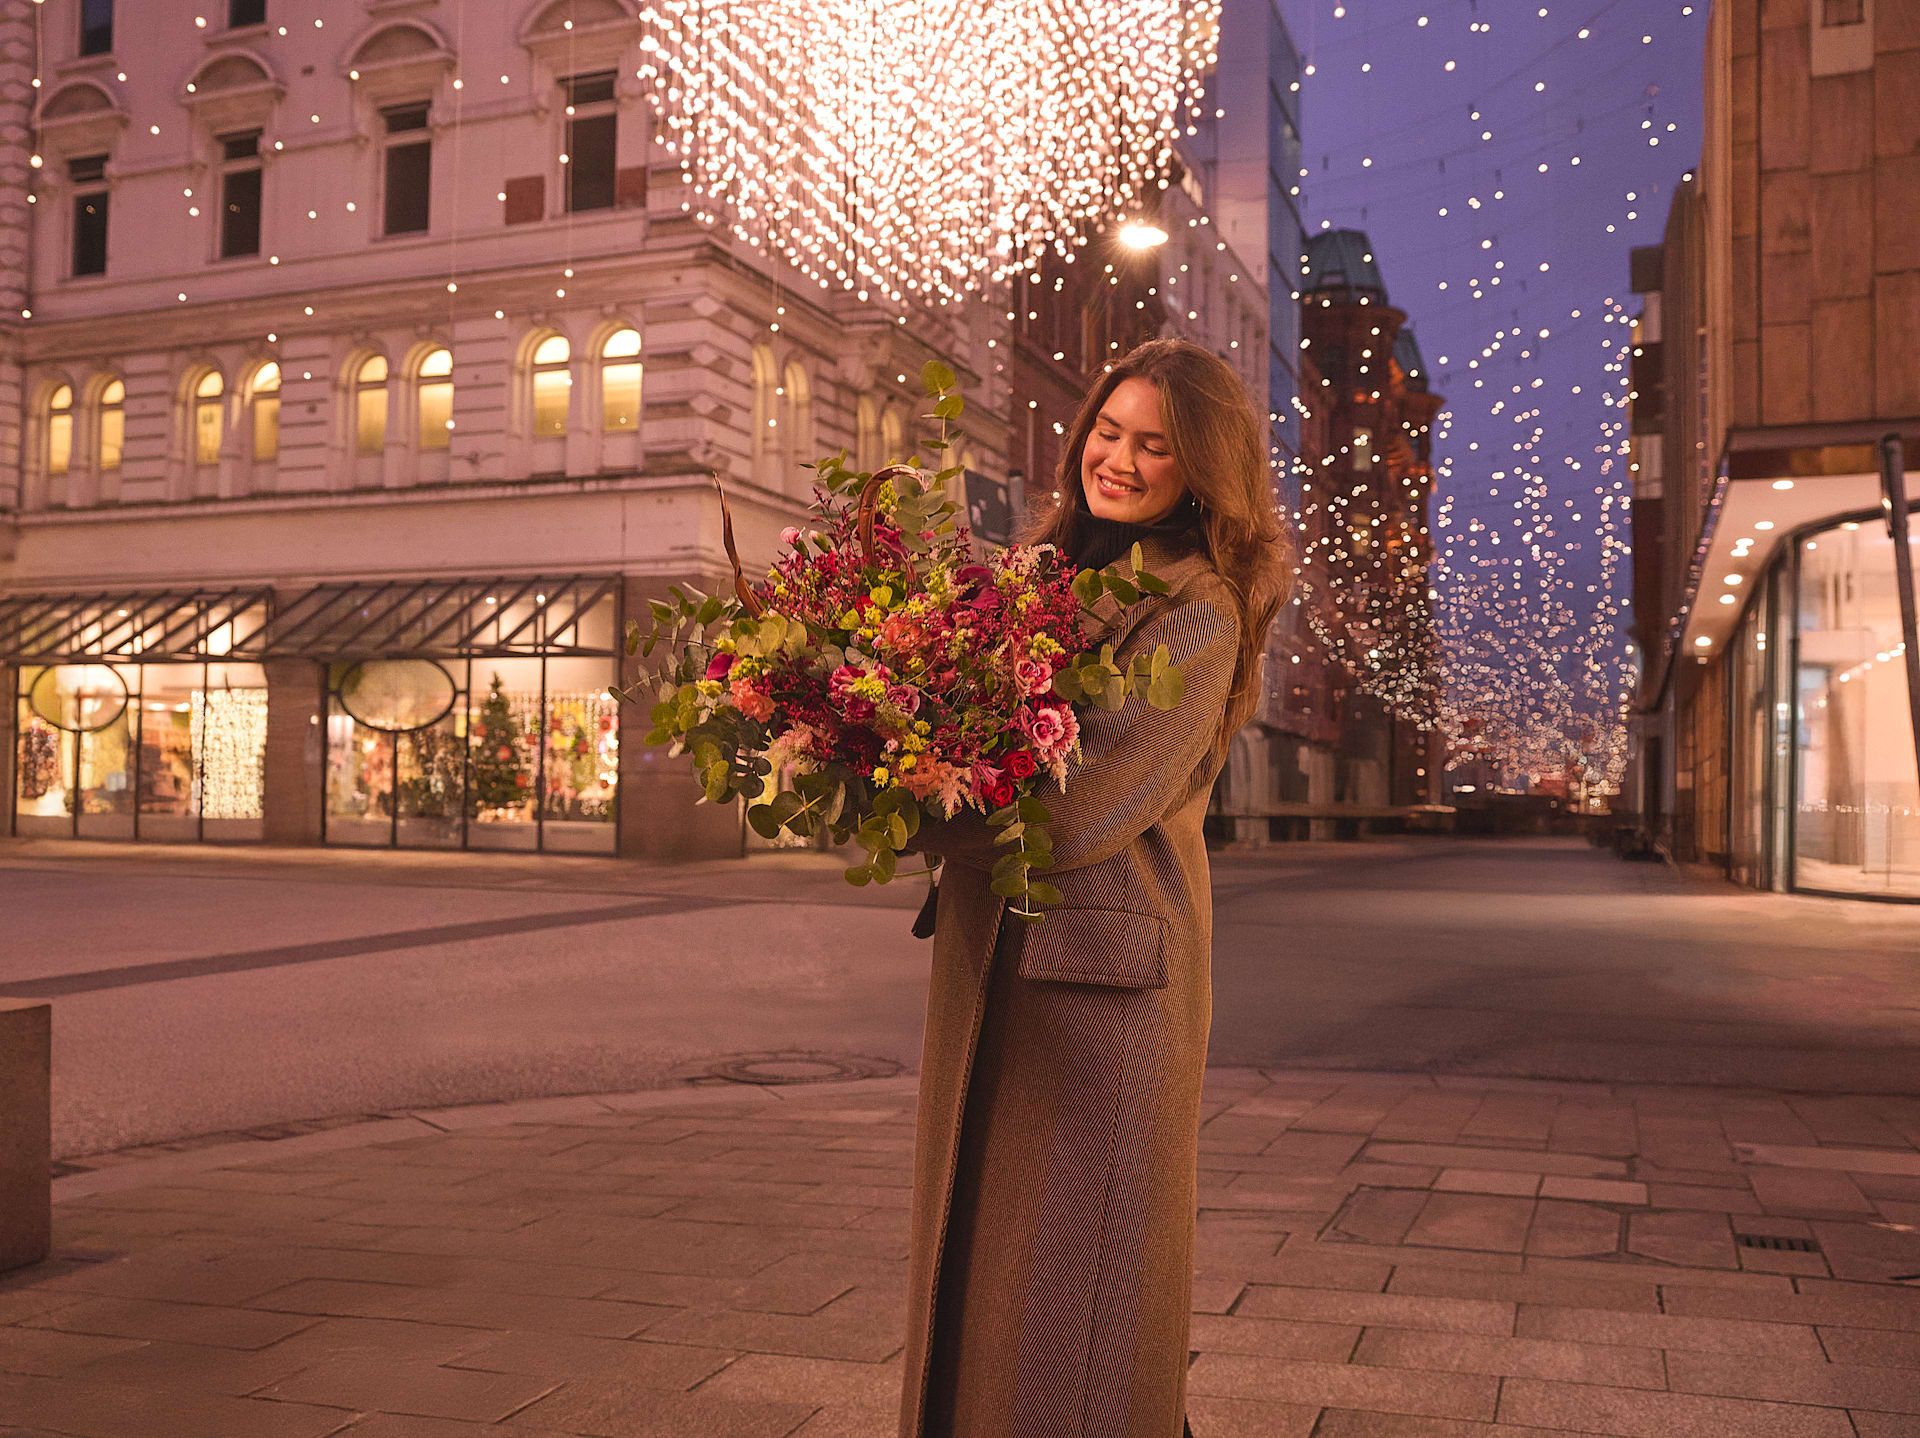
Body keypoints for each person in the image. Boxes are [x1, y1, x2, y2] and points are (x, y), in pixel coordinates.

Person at [900, 338, 1292, 1438]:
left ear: (1200, 467)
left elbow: (1079, 809)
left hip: (1099, 996)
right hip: (1005, 965)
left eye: (1154, 445)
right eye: (1108, 432)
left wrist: (901, 782)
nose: (1118, 460)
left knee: (1076, 1315)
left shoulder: (1199, 607)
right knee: (996, 1293)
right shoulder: (1048, 574)